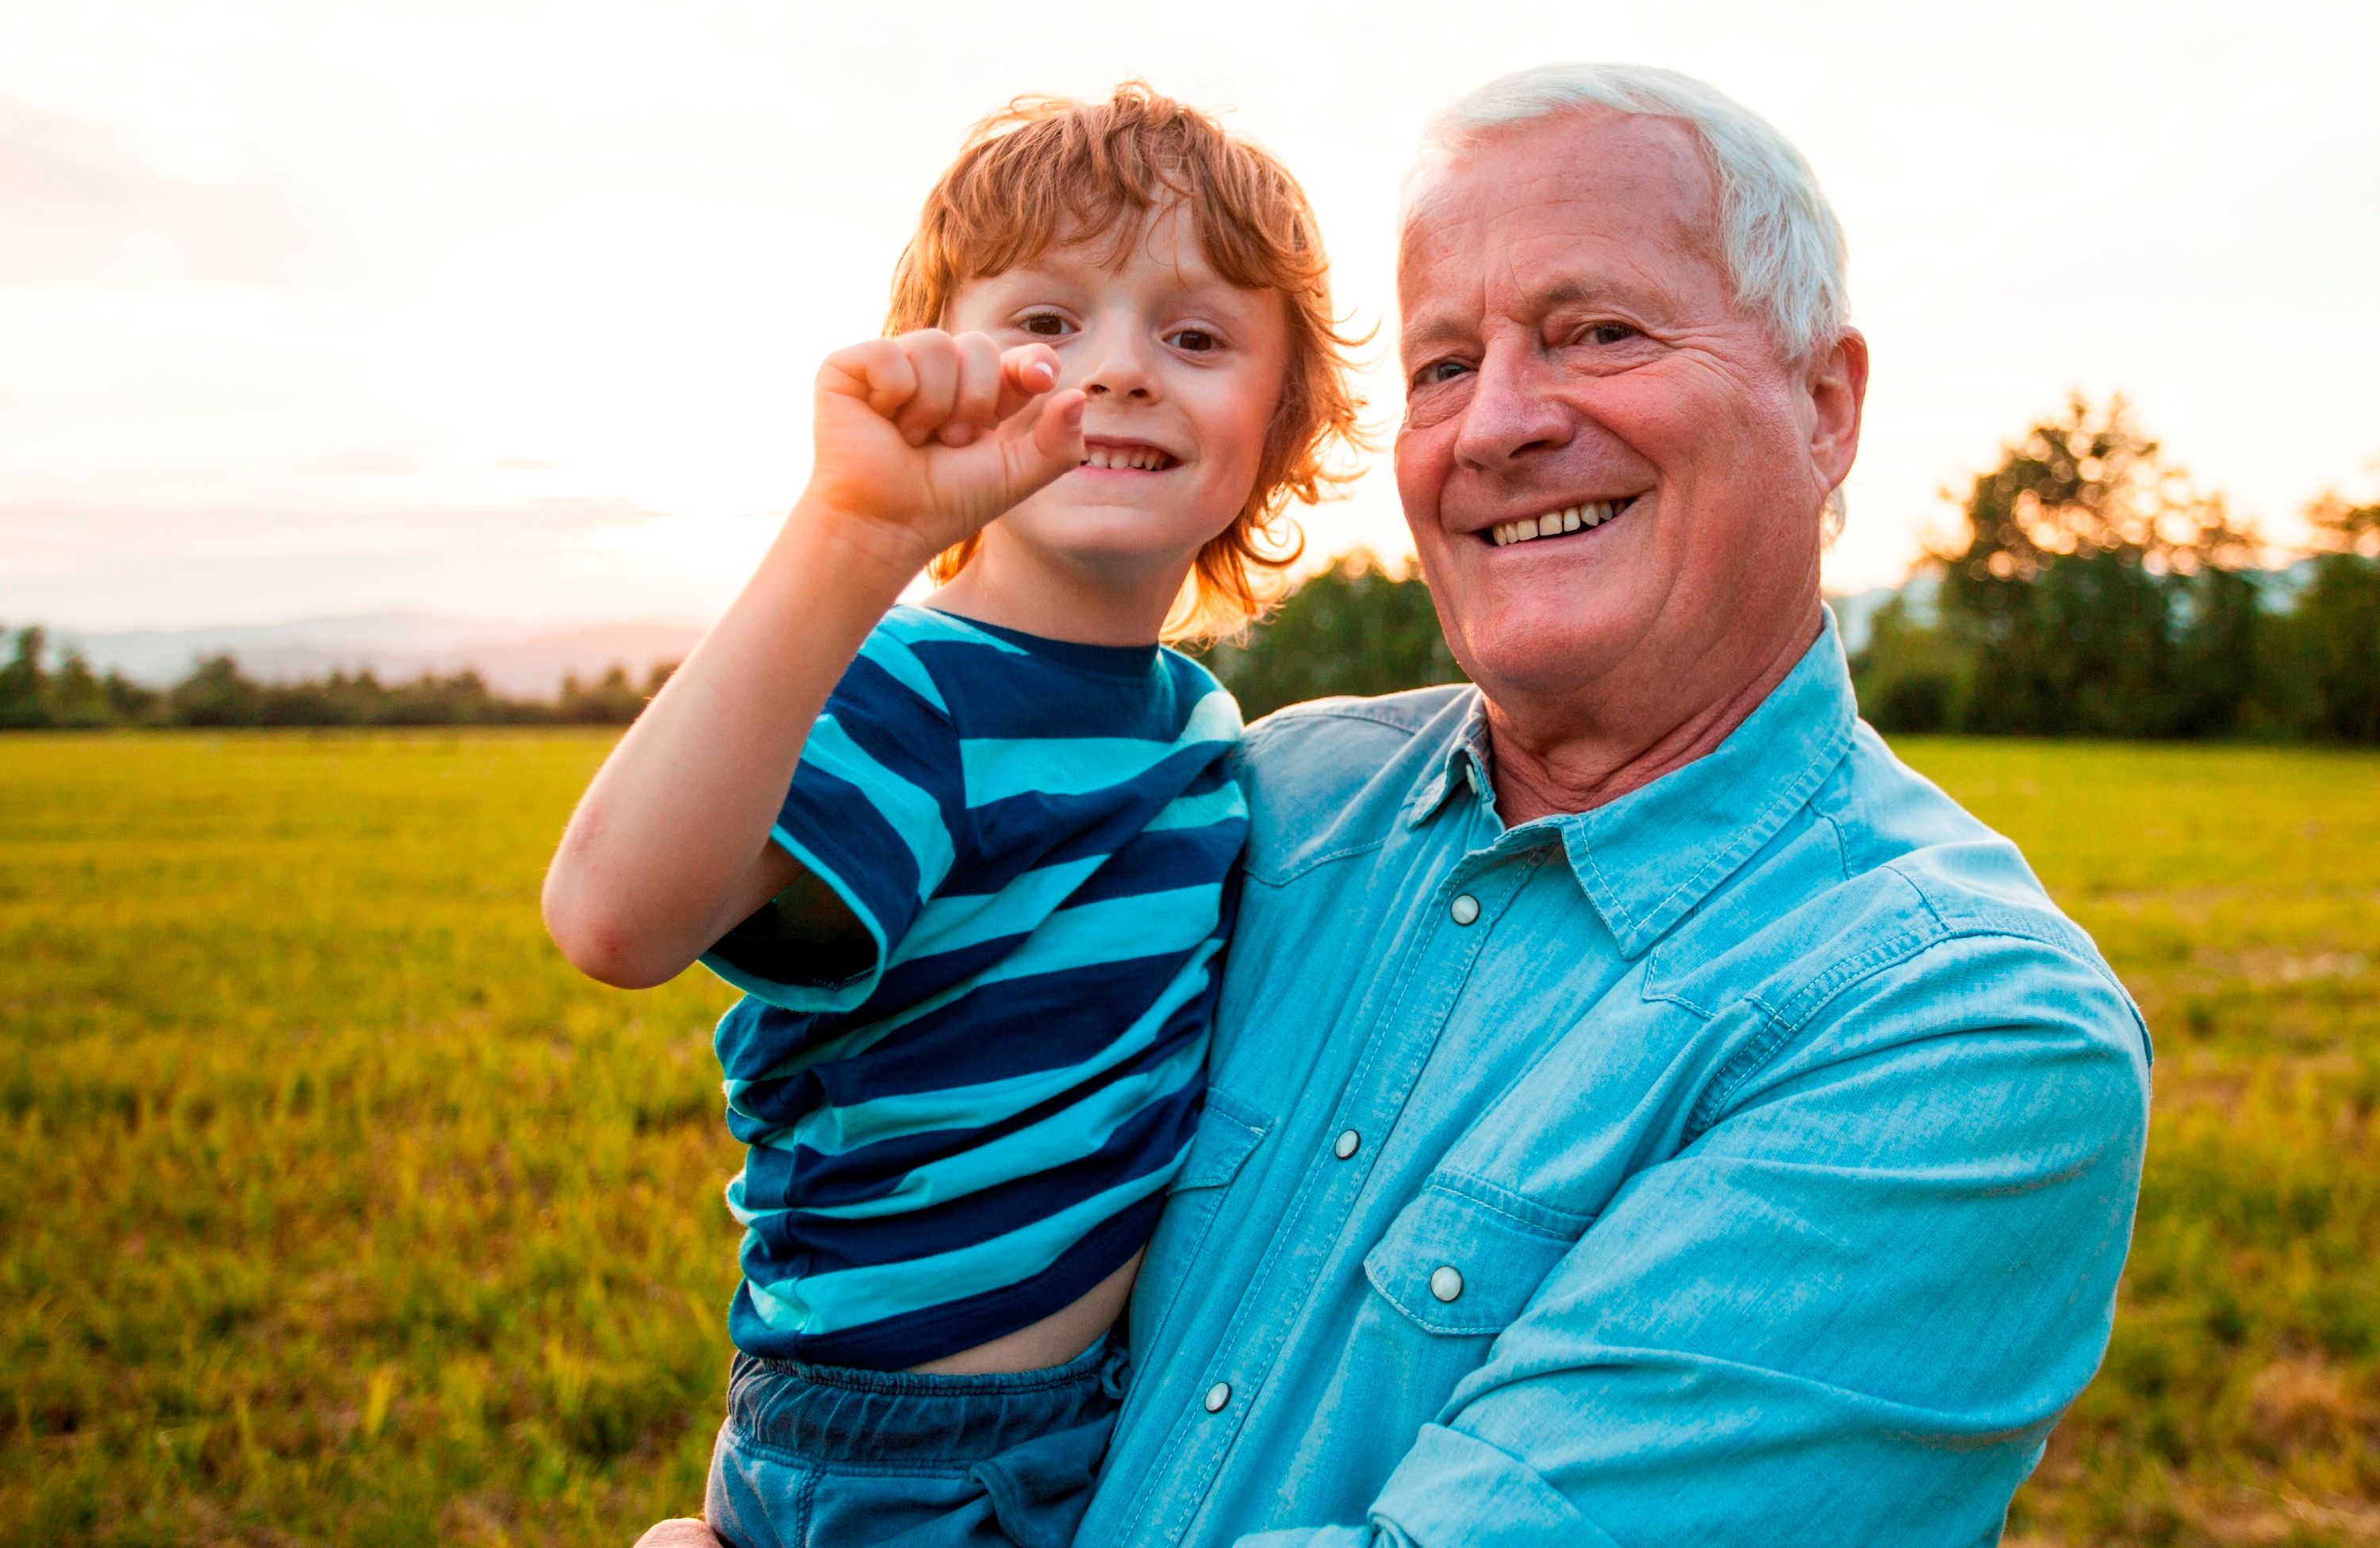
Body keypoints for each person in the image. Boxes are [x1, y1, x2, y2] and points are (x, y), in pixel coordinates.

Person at [1065, 64, 2152, 1546]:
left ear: (1825, 406)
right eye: (1444, 366)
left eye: (1600, 333)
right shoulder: (1262, 800)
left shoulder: (1967, 1032)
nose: (1496, 424)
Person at [539, 85, 1360, 1548]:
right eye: (1047, 323)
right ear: (940, 367)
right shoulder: (913, 691)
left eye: (1194, 336)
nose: (1116, 372)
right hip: (898, 1451)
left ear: (1282, 421)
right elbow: (613, 919)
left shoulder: (1197, 729)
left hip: (1110, 1416)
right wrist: (853, 535)